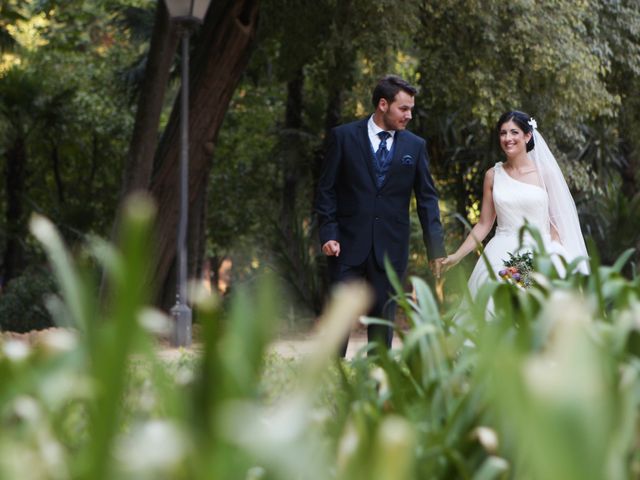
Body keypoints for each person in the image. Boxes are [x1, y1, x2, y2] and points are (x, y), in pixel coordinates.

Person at [315, 75, 446, 356]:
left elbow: (427, 200)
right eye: (404, 108)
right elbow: (326, 190)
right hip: (345, 246)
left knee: (382, 325)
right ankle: (331, 380)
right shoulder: (343, 137)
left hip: (390, 249)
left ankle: (376, 384)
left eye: (411, 109)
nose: (409, 115)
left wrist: (435, 249)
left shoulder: (415, 146)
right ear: (383, 104)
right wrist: (329, 233)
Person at [442, 110, 589, 305]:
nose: (507, 138)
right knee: (492, 308)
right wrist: (457, 256)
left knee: (536, 312)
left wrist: (549, 257)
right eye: (503, 133)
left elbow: (558, 222)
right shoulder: (492, 175)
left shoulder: (546, 174)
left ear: (528, 136)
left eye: (514, 132)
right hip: (500, 253)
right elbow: (484, 224)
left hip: (540, 252)